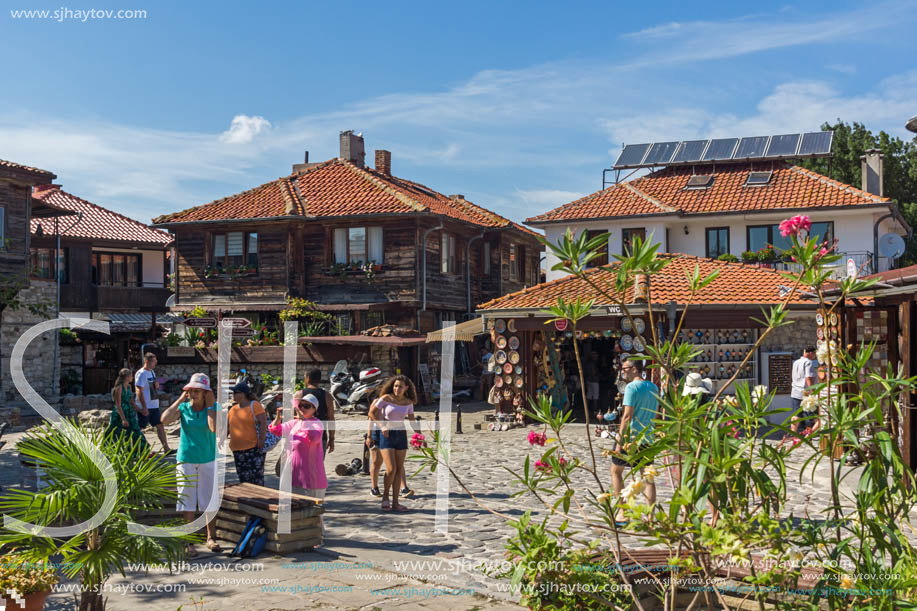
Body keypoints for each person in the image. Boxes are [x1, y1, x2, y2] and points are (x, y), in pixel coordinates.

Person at [161, 373, 220, 556]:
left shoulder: (214, 408)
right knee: (187, 500)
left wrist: (210, 405)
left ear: (205, 393)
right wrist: (180, 399)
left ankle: (211, 537)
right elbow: (164, 420)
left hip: (207, 458)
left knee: (209, 500)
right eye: (191, 390)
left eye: (197, 391)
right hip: (186, 458)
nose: (193, 394)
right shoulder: (184, 407)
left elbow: (214, 428)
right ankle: (189, 541)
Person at [270, 392, 327, 543]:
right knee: (296, 509)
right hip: (294, 475)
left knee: (314, 511)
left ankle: (318, 538)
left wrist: (304, 421)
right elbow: (275, 430)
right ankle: (301, 538)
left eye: (306, 406)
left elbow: (314, 437)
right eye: (300, 405)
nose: (302, 408)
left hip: (311, 477)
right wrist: (277, 416)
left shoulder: (317, 423)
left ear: (314, 409)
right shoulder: (294, 423)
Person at [610, 358, 659, 521]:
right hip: (648, 437)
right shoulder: (654, 387)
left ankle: (623, 512)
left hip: (631, 437)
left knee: (616, 471)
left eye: (624, 368)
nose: (622, 371)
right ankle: (651, 516)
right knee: (647, 476)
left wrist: (619, 441)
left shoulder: (631, 388)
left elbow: (627, 416)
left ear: (634, 369)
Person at [368, 375, 418, 512]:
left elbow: (412, 421)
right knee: (391, 469)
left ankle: (396, 502)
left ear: (406, 388)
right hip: (387, 434)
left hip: (401, 435)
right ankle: (385, 497)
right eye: (395, 386)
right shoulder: (386, 399)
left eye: (400, 386)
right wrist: (381, 426)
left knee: (398, 469)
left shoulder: (408, 402)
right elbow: (371, 413)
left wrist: (419, 435)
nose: (397, 388)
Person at [227, 382, 267, 485]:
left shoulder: (255, 405)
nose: (234, 395)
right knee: (243, 479)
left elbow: (263, 422)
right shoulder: (232, 409)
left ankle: (260, 500)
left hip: (253, 448)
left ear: (243, 394)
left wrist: (262, 439)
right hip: (237, 450)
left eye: (236, 392)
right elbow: (229, 427)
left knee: (256, 478)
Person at [135, 352, 173, 454]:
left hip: (154, 405)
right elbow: (138, 390)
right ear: (147, 362)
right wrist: (143, 407)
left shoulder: (152, 372)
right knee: (140, 427)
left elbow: (152, 385)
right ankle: (138, 449)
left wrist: (156, 384)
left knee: (159, 425)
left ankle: (166, 448)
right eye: (154, 361)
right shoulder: (141, 373)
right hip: (145, 405)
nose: (155, 363)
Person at [106, 368, 149, 454]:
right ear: (127, 377)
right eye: (131, 376)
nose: (132, 377)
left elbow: (131, 401)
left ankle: (141, 451)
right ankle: (115, 452)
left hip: (129, 412)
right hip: (120, 413)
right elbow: (118, 405)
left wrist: (140, 410)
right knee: (117, 432)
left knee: (136, 430)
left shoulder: (129, 387)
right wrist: (123, 419)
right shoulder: (119, 388)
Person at [304, 369, 335, 455]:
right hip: (320, 437)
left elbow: (292, 417)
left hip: (302, 436)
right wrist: (331, 438)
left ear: (307, 378)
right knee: (318, 465)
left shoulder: (299, 395)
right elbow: (331, 418)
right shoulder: (327, 396)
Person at [789, 346, 818, 438]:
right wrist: (812, 391)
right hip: (805, 392)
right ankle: (808, 434)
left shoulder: (796, 362)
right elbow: (808, 378)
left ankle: (793, 433)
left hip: (795, 391)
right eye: (814, 354)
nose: (815, 356)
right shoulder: (808, 363)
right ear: (811, 353)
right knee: (810, 415)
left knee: (796, 415)